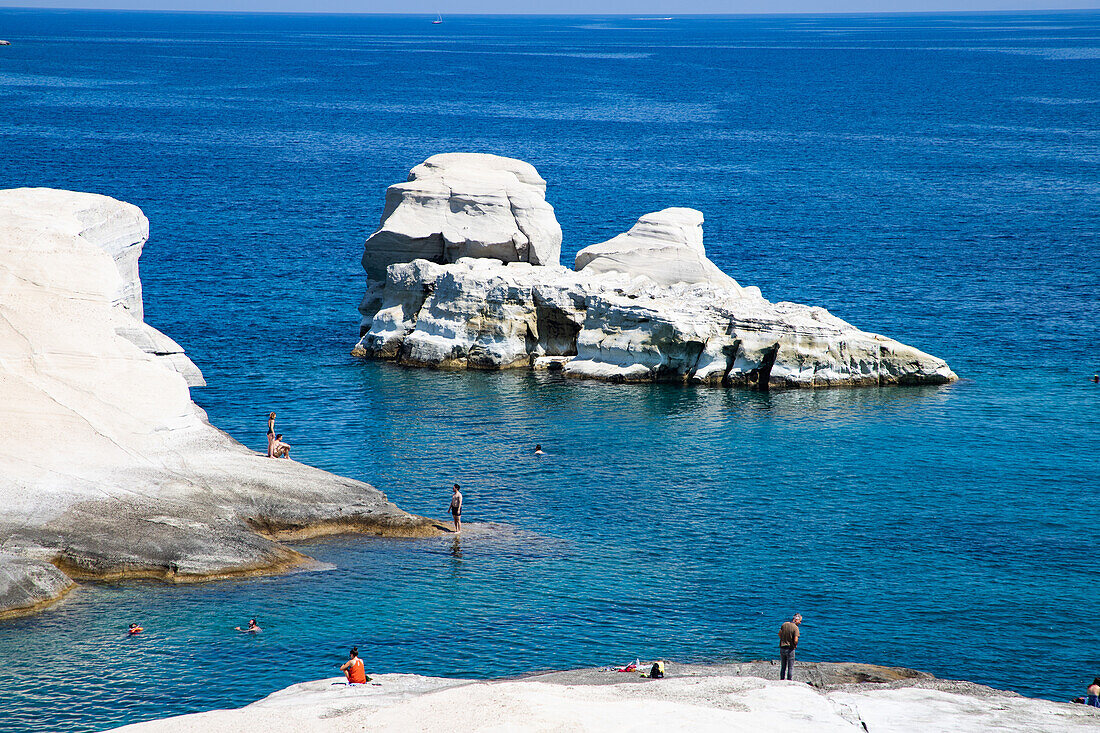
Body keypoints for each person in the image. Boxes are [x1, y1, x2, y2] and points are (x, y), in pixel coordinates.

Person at [778, 613, 802, 680]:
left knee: (783, 666)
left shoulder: (784, 624)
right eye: (800, 621)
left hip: (782, 647)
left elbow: (779, 634)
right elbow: (795, 640)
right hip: (790, 649)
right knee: (790, 667)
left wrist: (783, 639)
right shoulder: (795, 628)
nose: (800, 622)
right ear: (796, 620)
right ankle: (789, 681)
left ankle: (781, 680)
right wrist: (795, 644)